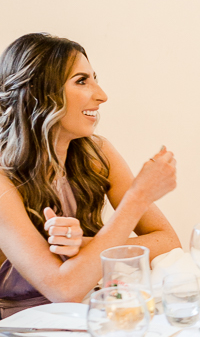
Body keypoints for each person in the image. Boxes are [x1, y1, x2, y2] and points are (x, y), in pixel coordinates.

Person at [0, 33, 179, 316]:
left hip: (92, 313)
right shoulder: (3, 181)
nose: (102, 95)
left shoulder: (97, 153)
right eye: (82, 81)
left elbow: (168, 241)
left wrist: (84, 245)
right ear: (37, 93)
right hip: (25, 334)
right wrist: (137, 197)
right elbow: (64, 289)